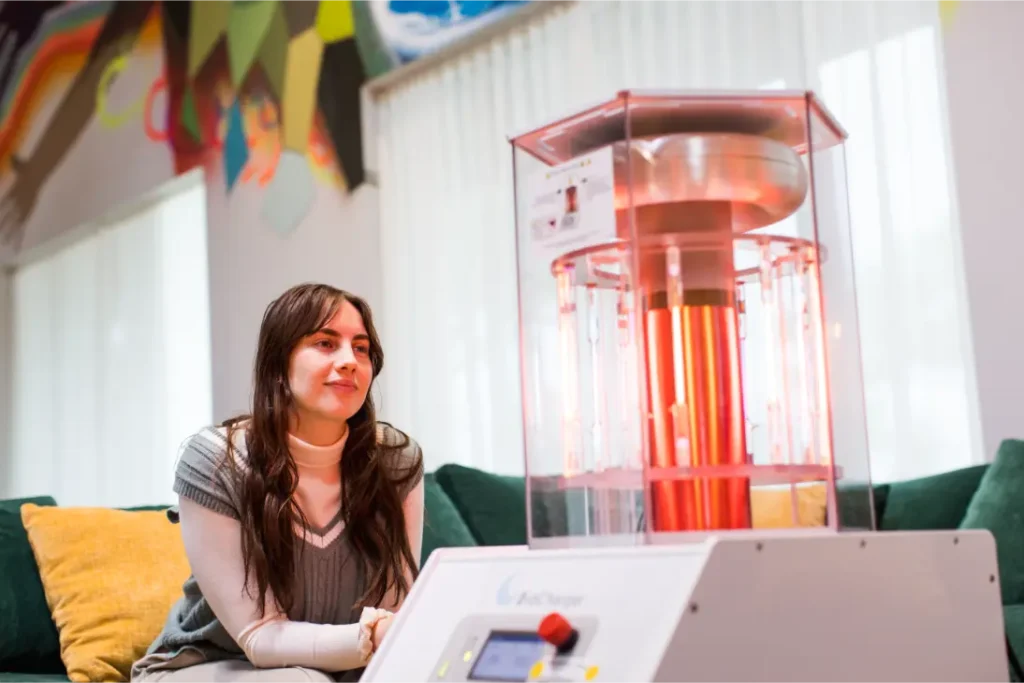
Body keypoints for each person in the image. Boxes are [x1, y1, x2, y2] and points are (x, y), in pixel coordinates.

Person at [131, 283, 424, 683]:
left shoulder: (396, 459)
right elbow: (260, 637)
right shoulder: (216, 460)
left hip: (342, 668)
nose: (349, 361)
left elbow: (392, 617)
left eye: (361, 348)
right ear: (279, 364)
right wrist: (373, 636)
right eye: (324, 342)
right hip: (205, 666)